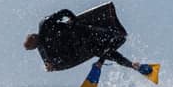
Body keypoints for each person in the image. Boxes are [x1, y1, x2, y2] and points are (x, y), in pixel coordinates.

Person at [24, 6, 152, 76]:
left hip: (84, 31)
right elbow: (47, 60)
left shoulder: (45, 24)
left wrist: (74, 21)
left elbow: (65, 11)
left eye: (33, 44)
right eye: (34, 47)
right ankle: (133, 65)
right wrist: (49, 65)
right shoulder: (43, 48)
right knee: (106, 51)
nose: (36, 46)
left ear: (34, 36)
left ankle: (103, 62)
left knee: (113, 42)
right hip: (84, 46)